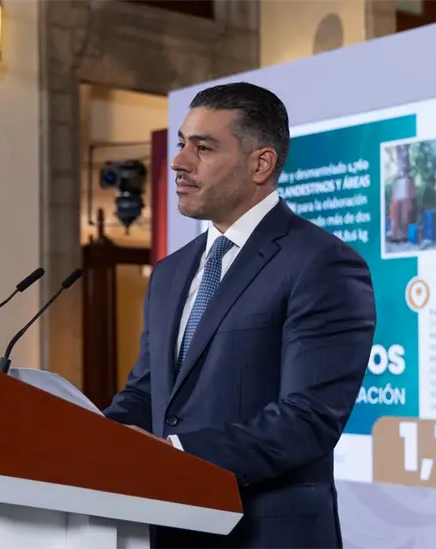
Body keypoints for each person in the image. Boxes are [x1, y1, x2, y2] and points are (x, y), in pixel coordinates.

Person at [102, 82, 376, 549]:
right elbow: (148, 393)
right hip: (167, 530)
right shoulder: (169, 272)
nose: (179, 162)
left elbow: (306, 420)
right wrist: (93, 439)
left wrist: (173, 455)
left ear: (261, 164)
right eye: (181, 143)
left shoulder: (321, 263)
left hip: (263, 534)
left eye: (203, 148)